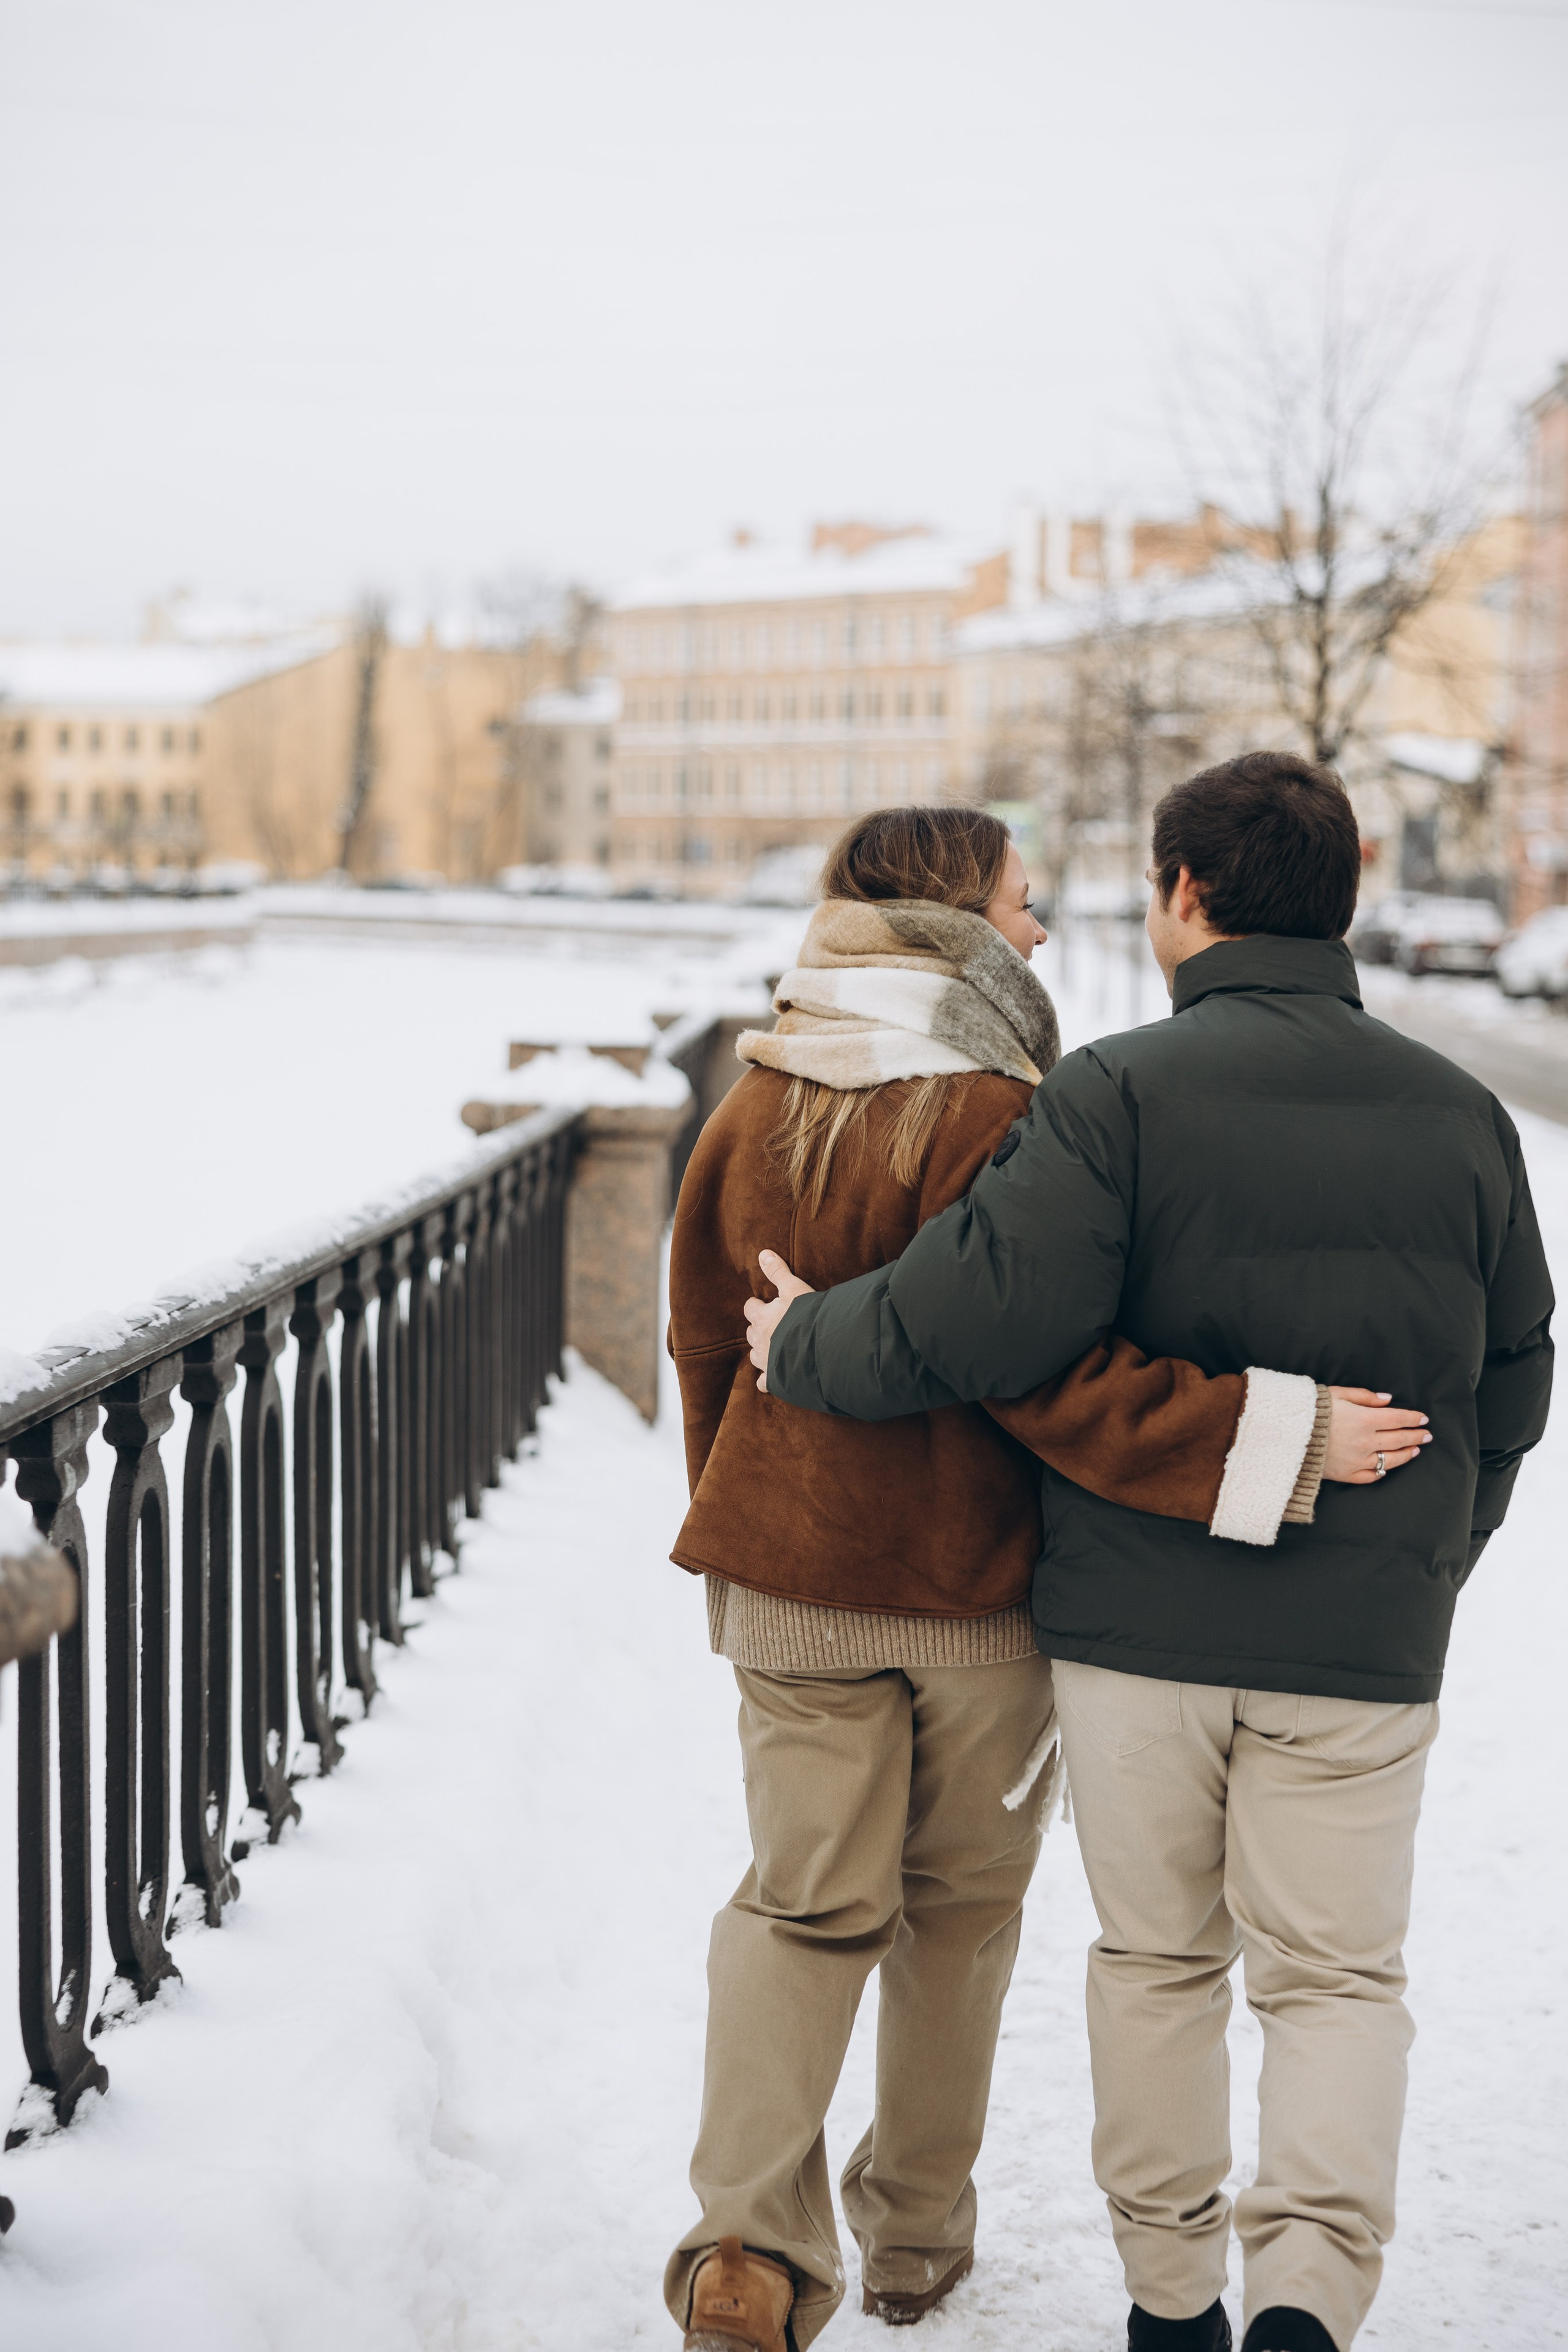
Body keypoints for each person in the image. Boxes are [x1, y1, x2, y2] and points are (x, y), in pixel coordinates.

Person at [746, 754, 1554, 2352]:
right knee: (1333, 1982)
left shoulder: (1115, 1095)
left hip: (1136, 1640)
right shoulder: (1465, 1119)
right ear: (1349, 899)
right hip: (1364, 1646)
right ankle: (1310, 2303)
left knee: (1159, 1963)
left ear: (1183, 895)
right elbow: (1516, 1377)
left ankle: (1174, 2301)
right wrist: (1429, 1563)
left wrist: (803, 1342)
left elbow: (976, 1313)